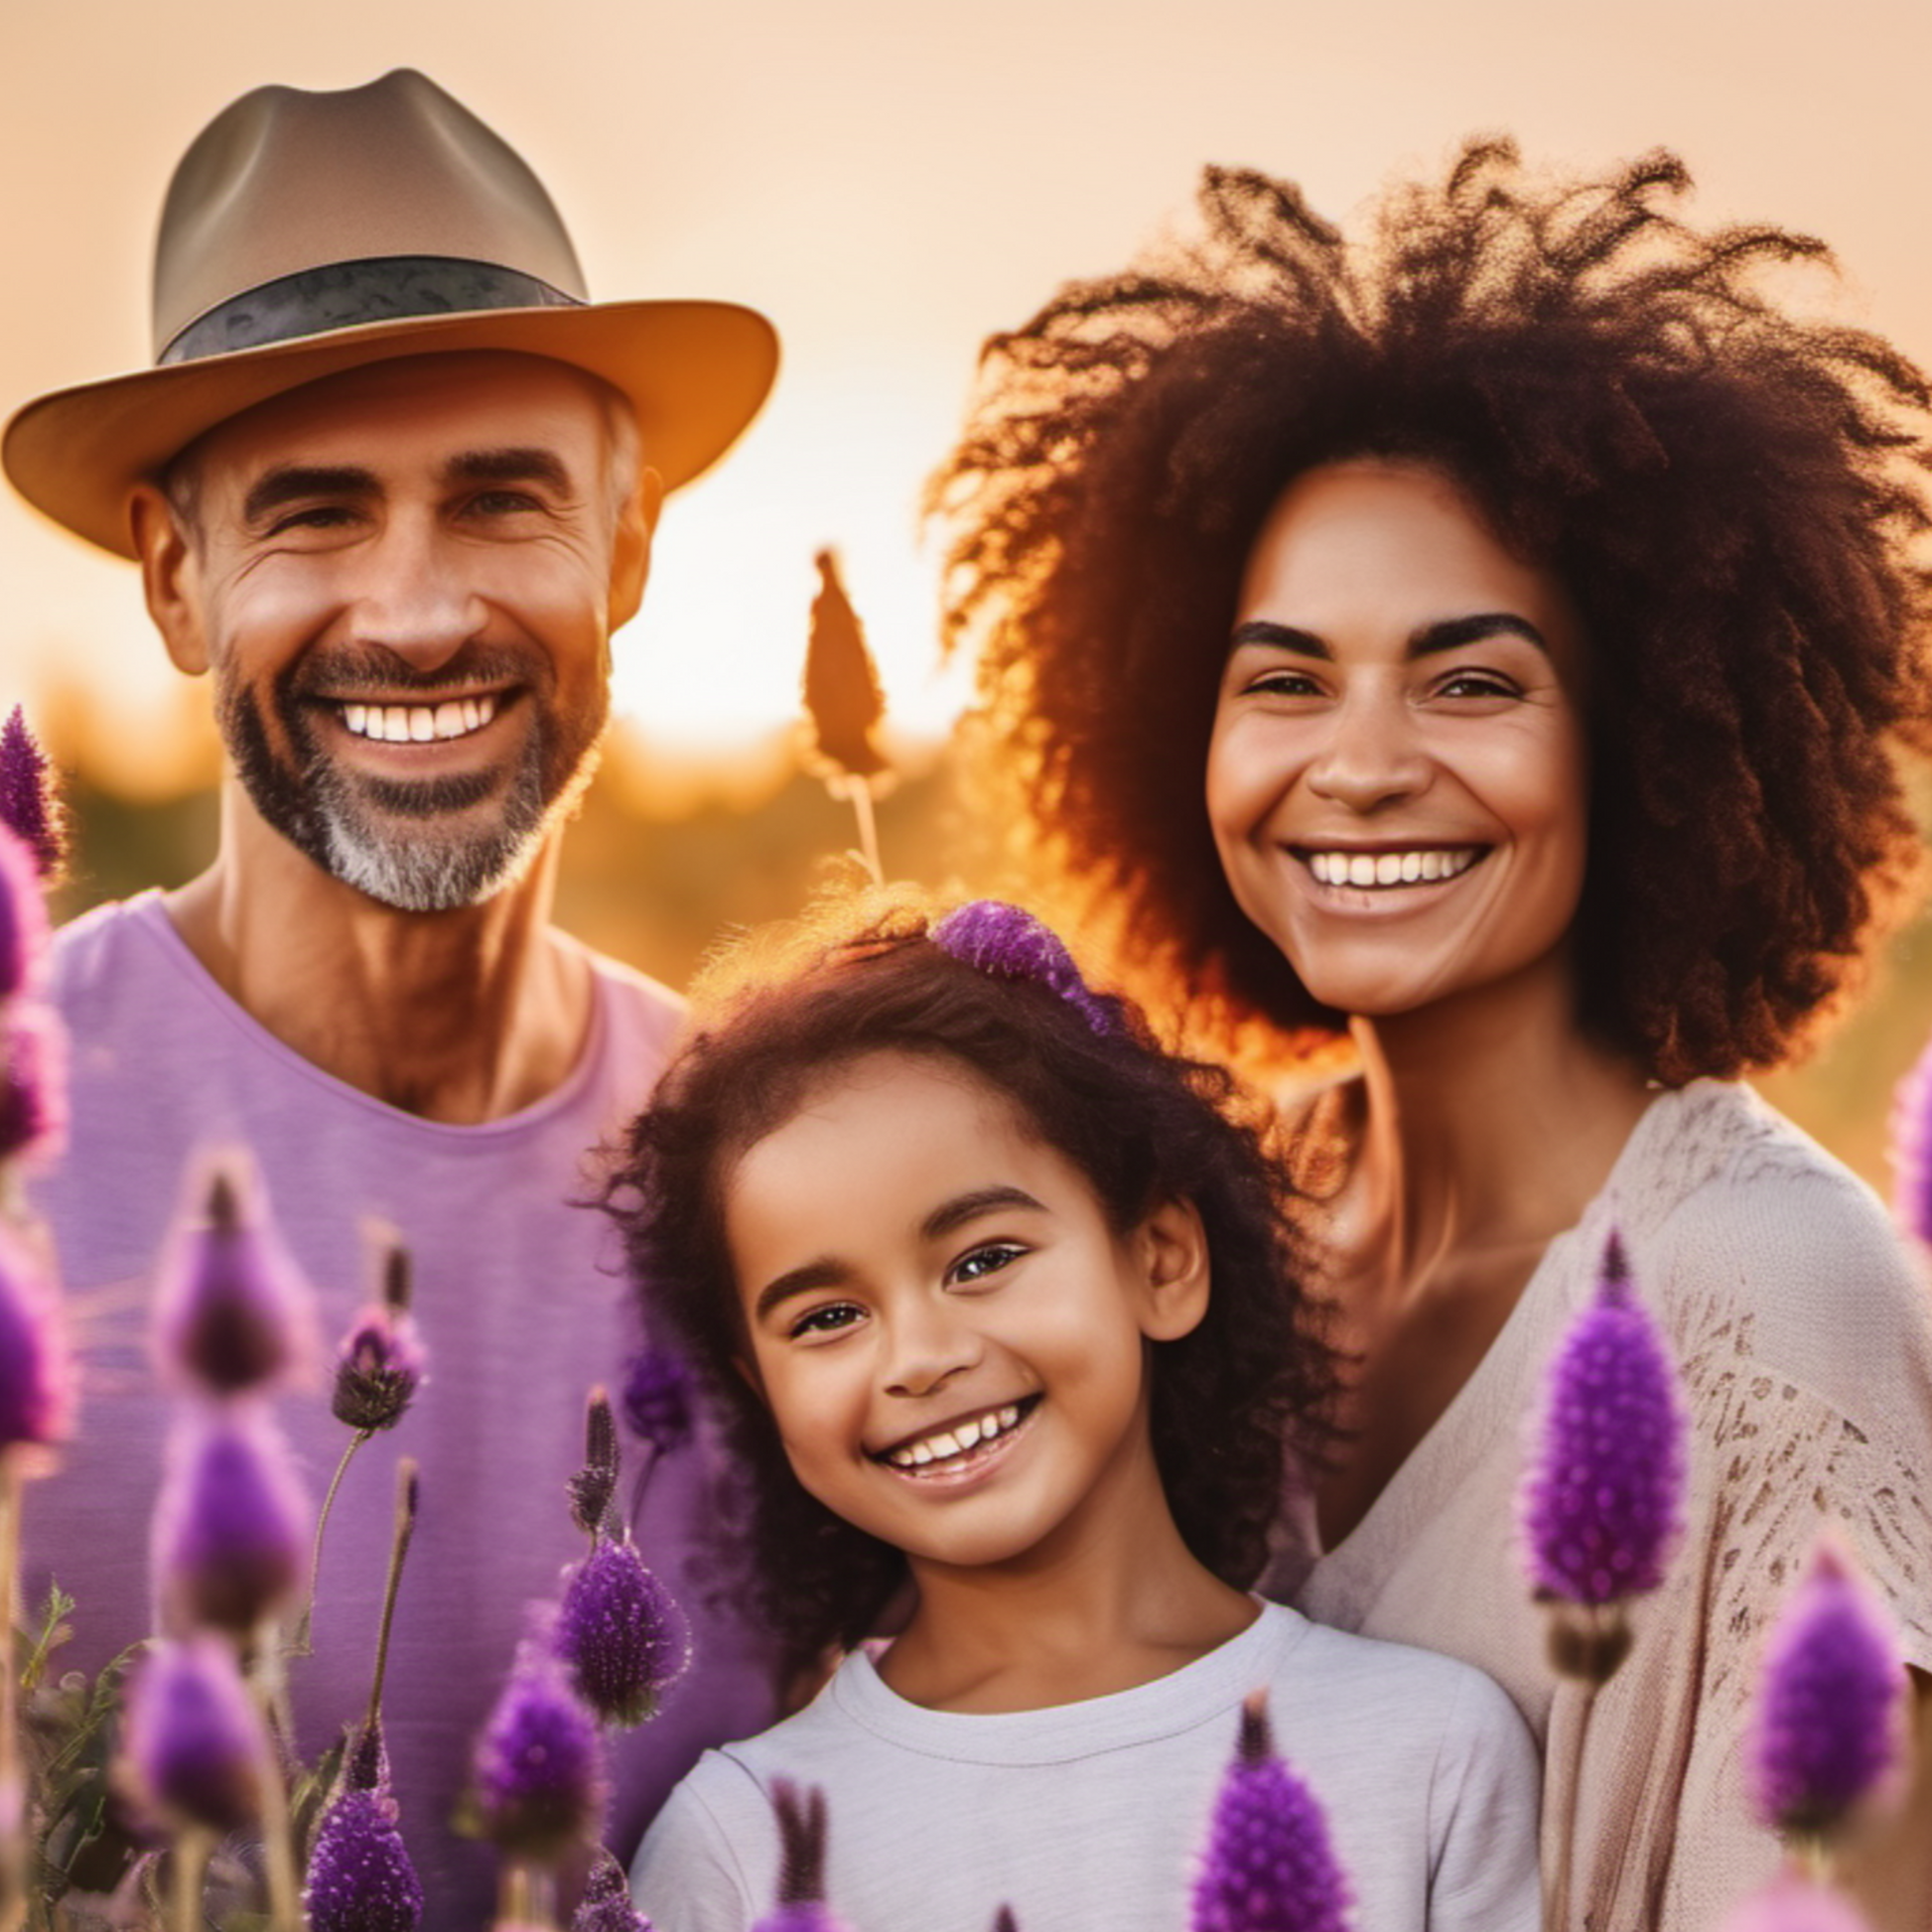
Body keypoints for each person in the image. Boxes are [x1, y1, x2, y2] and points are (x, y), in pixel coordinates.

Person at [928, 145, 1932, 1928]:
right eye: (1284, 677)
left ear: (1646, 743)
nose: (1361, 762)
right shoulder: (1212, 1212)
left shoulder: (1777, 1298)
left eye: (1471, 680)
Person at [0, 71, 780, 1919]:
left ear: (633, 547)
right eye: (317, 516)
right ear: (178, 579)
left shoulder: (782, 1177)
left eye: (501, 500)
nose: (417, 612)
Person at [609, 894, 1541, 1932]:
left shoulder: (1428, 1747)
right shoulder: (739, 1843)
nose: (919, 1356)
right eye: (828, 1316)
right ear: (759, 1388)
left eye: (983, 1258)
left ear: (1159, 1261)